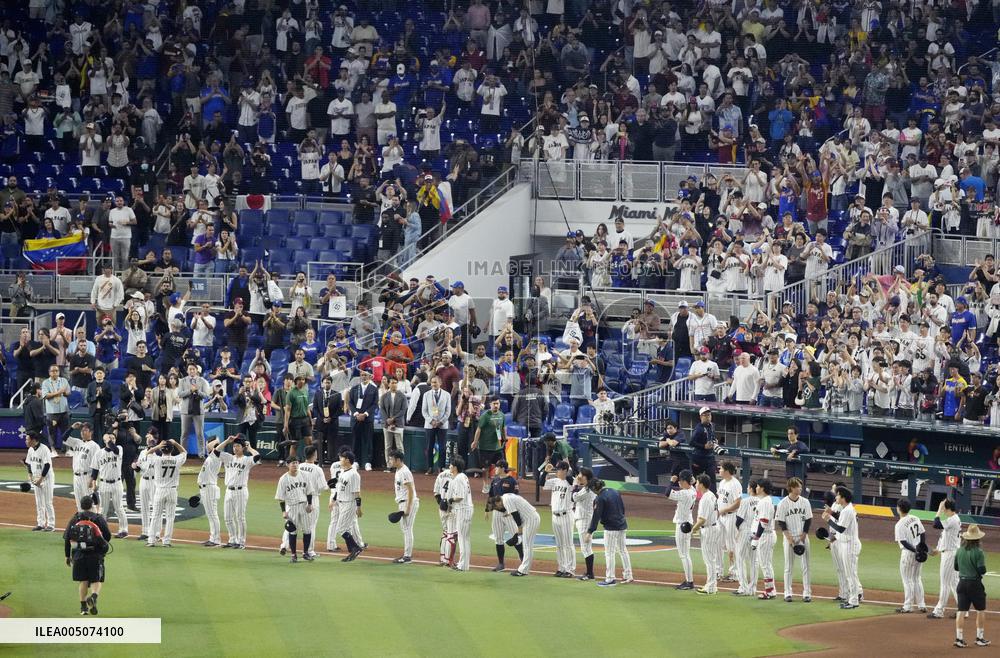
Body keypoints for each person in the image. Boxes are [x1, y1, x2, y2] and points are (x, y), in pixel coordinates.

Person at [63, 494, 112, 616]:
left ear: (81, 506)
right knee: (96, 579)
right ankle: (94, 597)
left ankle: (83, 608)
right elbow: (108, 536)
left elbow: (67, 538)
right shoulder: (98, 518)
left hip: (79, 555)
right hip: (95, 555)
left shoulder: (75, 518)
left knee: (83, 581)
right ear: (92, 505)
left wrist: (67, 556)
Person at [586, 478, 632, 586]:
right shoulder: (614, 491)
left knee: (609, 553)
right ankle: (628, 575)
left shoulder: (600, 498)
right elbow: (623, 508)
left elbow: (596, 516)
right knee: (623, 550)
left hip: (611, 528)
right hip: (622, 525)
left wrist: (590, 531)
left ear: (594, 488)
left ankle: (610, 578)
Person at [143, 436, 187, 548]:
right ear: (172, 450)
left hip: (160, 491)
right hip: (172, 491)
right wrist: (175, 443)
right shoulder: (176, 460)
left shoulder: (157, 460)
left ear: (162, 450)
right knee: (170, 517)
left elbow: (148, 453)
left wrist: (158, 446)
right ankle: (166, 541)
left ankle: (151, 540)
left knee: (155, 516)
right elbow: (184, 452)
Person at [219, 435, 261, 549]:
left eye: (238, 446)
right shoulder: (228, 457)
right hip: (228, 491)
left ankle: (241, 542)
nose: (235, 448)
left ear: (243, 448)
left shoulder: (247, 460)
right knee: (227, 517)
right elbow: (216, 451)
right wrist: (227, 441)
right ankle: (232, 540)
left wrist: (250, 448)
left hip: (241, 491)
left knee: (240, 518)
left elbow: (257, 456)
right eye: (234, 446)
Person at [824, 486, 862, 609]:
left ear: (843, 497)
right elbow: (841, 521)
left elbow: (841, 528)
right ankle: (853, 598)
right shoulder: (847, 509)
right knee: (850, 573)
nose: (836, 497)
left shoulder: (847, 510)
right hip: (847, 544)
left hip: (850, 545)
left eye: (838, 495)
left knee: (850, 574)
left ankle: (854, 600)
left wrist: (828, 520)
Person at [776, 477, 813, 603]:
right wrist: (789, 538)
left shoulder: (805, 502)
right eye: (798, 486)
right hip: (789, 537)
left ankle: (807, 593)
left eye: (801, 486)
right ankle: (787, 593)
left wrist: (804, 535)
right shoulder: (783, 503)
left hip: (803, 537)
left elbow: (808, 519)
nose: (800, 488)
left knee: (806, 566)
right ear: (791, 488)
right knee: (788, 566)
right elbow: (781, 522)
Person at [954, 524, 991, 647]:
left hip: (961, 583)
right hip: (974, 584)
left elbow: (956, 567)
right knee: (980, 610)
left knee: (961, 611)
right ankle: (980, 638)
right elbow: (982, 570)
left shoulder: (959, 550)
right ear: (978, 538)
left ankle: (959, 639)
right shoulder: (979, 552)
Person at [275, 458, 318, 563]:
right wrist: (283, 511)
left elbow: (309, 491)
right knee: (293, 531)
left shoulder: (304, 475)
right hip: (292, 507)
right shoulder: (283, 479)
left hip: (304, 506)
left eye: (296, 463)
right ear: (287, 465)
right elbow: (281, 497)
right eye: (292, 463)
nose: (295, 465)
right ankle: (293, 555)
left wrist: (310, 504)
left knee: (307, 530)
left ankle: (305, 553)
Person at [492, 488, 540, 578]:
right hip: (530, 519)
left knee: (527, 546)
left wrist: (519, 529)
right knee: (526, 545)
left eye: (497, 506)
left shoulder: (506, 500)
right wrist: (516, 534)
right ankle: (523, 569)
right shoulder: (506, 497)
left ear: (498, 502)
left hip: (530, 520)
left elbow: (515, 514)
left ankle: (523, 570)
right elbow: (516, 510)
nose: (499, 508)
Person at [89, 431, 128, 538]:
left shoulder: (119, 449)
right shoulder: (99, 453)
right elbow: (95, 471)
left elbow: (114, 449)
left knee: (119, 507)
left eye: (113, 438)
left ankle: (123, 530)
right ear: (104, 440)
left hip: (117, 483)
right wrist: (93, 483)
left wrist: (107, 439)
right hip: (104, 483)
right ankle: (101, 531)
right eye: (109, 438)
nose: (111, 440)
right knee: (103, 509)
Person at [487, 461, 523, 572]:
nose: (495, 469)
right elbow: (491, 496)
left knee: (516, 537)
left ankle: (524, 561)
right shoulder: (495, 480)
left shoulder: (512, 481)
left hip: (509, 513)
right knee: (498, 539)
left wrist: (512, 511)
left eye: (497, 467)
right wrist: (487, 510)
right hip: (497, 513)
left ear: (502, 468)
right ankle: (501, 564)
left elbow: (516, 497)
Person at [929, 498, 961, 619]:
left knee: (945, 583)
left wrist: (938, 511)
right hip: (952, 552)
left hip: (949, 555)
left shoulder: (952, 520)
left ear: (947, 509)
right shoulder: (954, 519)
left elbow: (936, 524)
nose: (943, 510)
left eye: (944, 508)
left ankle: (939, 611)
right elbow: (945, 536)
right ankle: (963, 609)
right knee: (954, 582)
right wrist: (938, 549)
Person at [893, 498, 927, 614]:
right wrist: (921, 548)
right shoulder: (915, 518)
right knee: (917, 578)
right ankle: (922, 605)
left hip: (908, 553)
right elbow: (922, 533)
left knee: (907, 580)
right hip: (918, 552)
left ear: (899, 509)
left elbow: (903, 542)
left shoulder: (899, 524)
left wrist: (915, 550)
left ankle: (907, 606)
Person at [543, 460, 576, 577]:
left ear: (565, 470)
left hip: (566, 515)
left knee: (568, 544)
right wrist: (545, 472)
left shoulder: (571, 482)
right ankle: (561, 568)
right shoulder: (555, 481)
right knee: (559, 544)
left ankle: (570, 570)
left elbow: (572, 480)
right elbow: (542, 483)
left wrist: (568, 472)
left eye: (559, 469)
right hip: (555, 516)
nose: (556, 471)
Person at [691, 473, 721, 594]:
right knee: (711, 559)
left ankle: (711, 587)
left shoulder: (705, 499)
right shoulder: (711, 495)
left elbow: (702, 519)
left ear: (702, 485)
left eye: (697, 483)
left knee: (709, 560)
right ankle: (712, 585)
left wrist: (693, 529)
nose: (696, 484)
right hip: (713, 527)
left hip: (709, 529)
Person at [443, 456, 473, 572]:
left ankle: (463, 565)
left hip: (463, 510)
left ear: (455, 467)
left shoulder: (459, 478)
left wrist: (450, 500)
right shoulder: (463, 476)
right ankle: (464, 564)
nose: (449, 466)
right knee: (465, 538)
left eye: (451, 465)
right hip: (466, 509)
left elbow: (460, 497)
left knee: (462, 538)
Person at [668, 469, 697, 590]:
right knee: (686, 554)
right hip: (688, 522)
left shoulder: (684, 493)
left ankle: (689, 582)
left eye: (680, 480)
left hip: (682, 525)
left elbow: (667, 493)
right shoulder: (693, 490)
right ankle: (689, 580)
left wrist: (671, 481)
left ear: (685, 481)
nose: (679, 482)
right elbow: (693, 482)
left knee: (684, 555)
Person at [335, 450, 365, 562]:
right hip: (341, 503)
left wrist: (358, 507)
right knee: (346, 528)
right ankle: (353, 550)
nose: (340, 459)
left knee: (341, 528)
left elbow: (357, 492)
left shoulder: (354, 474)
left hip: (349, 503)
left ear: (347, 460)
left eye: (341, 458)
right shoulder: (343, 471)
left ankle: (356, 548)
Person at [389, 450, 418, 564]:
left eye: (391, 459)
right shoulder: (399, 470)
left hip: (408, 502)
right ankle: (406, 555)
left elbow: (410, 490)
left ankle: (407, 557)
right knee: (405, 529)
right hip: (403, 502)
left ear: (398, 460)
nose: (390, 461)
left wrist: (408, 507)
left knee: (407, 529)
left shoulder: (404, 472)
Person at [751, 478, 778, 600]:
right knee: (766, 563)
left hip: (766, 535)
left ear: (762, 488)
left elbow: (763, 522)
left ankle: (770, 591)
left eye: (757, 486)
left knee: (765, 564)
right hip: (766, 535)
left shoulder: (765, 502)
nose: (756, 488)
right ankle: (771, 590)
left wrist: (756, 538)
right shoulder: (764, 501)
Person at [63, 422, 99, 512]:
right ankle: (82, 519)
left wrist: (93, 480)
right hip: (76, 477)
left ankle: (94, 519)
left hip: (87, 477)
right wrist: (72, 427)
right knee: (79, 503)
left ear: (91, 432)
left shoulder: (95, 446)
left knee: (90, 502)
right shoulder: (77, 442)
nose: (83, 432)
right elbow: (63, 438)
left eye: (85, 430)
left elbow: (96, 465)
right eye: (82, 430)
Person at [716, 461, 743, 582]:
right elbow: (720, 499)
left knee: (731, 545)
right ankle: (718, 571)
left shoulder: (735, 484)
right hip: (721, 517)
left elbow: (738, 503)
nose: (719, 470)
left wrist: (724, 510)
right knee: (718, 543)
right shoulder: (722, 482)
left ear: (727, 471)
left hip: (731, 516)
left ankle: (734, 573)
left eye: (721, 468)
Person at [472, 397, 506, 491]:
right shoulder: (485, 416)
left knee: (500, 466)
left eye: (497, 403)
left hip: (498, 447)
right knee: (485, 468)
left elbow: (503, 428)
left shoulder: (502, 415)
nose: (496, 405)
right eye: (494, 403)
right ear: (490, 404)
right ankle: (485, 485)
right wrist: (475, 442)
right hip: (485, 447)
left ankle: (498, 484)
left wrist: (505, 439)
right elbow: (479, 429)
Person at [178, 363, 211, 458]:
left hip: (199, 411)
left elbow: (206, 395)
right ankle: (183, 454)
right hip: (185, 410)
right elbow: (180, 394)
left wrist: (197, 391)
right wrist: (190, 391)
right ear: (187, 371)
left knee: (200, 434)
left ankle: (201, 454)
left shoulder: (202, 381)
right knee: (184, 434)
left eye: (193, 369)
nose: (192, 371)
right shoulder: (182, 381)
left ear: (196, 370)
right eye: (190, 369)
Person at [347, 370, 379, 471]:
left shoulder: (374, 389)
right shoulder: (354, 388)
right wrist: (356, 414)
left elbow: (374, 404)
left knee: (368, 441)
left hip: (367, 419)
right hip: (355, 419)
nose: (363, 377)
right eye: (362, 375)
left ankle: (367, 462)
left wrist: (365, 414)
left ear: (370, 376)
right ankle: (355, 461)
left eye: (365, 375)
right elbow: (350, 403)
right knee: (355, 440)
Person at [24, 431, 56, 531]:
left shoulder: (44, 449)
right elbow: (28, 463)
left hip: (46, 478)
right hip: (36, 478)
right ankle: (41, 523)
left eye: (27, 439)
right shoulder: (30, 450)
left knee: (47, 502)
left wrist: (40, 479)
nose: (26, 441)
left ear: (33, 440)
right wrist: (30, 475)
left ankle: (51, 525)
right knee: (39, 502)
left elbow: (47, 465)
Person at [196, 437, 224, 547]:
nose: (206, 446)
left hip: (209, 488)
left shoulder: (215, 456)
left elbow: (210, 446)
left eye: (208, 444)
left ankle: (215, 540)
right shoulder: (211, 457)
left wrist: (216, 441)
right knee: (211, 515)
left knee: (213, 515)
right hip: (206, 488)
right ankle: (213, 538)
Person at [734, 478, 760, 597]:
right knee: (754, 560)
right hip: (757, 532)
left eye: (748, 487)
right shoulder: (762, 501)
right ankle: (752, 588)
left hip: (745, 531)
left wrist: (737, 530)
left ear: (751, 488)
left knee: (740, 558)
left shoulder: (745, 501)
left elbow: (739, 519)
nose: (747, 489)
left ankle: (743, 587)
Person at [422, 376, 451, 475]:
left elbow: (448, 411)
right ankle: (430, 467)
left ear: (440, 383)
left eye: (435, 382)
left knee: (442, 448)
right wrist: (432, 421)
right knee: (429, 447)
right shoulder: (426, 395)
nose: (433, 384)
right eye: (432, 382)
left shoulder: (447, 395)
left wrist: (441, 422)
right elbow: (424, 411)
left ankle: (441, 468)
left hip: (442, 425)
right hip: (430, 425)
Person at [689, 407, 720, 490]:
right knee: (696, 480)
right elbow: (691, 442)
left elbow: (711, 435)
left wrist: (715, 440)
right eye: (705, 415)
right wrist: (703, 446)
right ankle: (693, 495)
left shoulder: (712, 425)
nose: (707, 417)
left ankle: (713, 496)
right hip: (699, 458)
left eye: (709, 415)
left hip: (710, 457)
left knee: (712, 480)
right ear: (700, 417)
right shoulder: (699, 429)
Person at [312, 376, 341, 465]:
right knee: (320, 442)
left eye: (328, 382)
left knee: (332, 442)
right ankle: (320, 461)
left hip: (332, 423)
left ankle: (332, 461)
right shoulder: (317, 394)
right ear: (322, 383)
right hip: (321, 423)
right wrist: (322, 418)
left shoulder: (337, 394)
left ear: (331, 384)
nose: (326, 384)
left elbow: (340, 409)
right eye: (325, 382)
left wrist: (331, 418)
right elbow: (315, 408)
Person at [379, 379, 408, 470]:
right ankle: (389, 465)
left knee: (399, 446)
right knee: (388, 446)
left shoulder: (402, 396)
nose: (394, 384)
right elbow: (382, 409)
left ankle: (400, 465)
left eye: (395, 383)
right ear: (389, 384)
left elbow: (403, 410)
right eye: (392, 383)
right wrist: (387, 420)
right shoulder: (384, 396)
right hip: (387, 424)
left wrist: (393, 419)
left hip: (398, 424)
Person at [433, 466, 455, 566]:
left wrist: (441, 504)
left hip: (442, 507)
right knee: (451, 534)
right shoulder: (457, 476)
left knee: (445, 532)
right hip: (452, 508)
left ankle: (442, 558)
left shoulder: (441, 475)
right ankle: (447, 560)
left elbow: (436, 492)